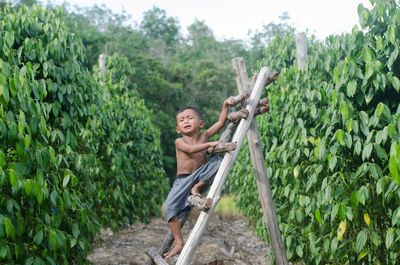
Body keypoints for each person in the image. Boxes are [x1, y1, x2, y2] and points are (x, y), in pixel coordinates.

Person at [163, 96, 234, 259]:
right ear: (178, 128)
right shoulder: (179, 141)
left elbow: (220, 123)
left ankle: (197, 187)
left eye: (190, 118)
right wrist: (210, 144)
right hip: (183, 179)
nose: (186, 121)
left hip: (201, 175)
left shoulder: (204, 135)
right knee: (170, 209)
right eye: (181, 120)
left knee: (218, 161)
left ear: (201, 124)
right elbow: (190, 150)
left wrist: (225, 105)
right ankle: (179, 242)